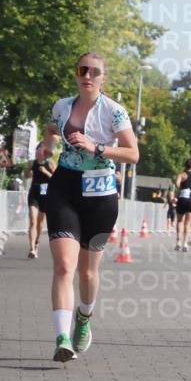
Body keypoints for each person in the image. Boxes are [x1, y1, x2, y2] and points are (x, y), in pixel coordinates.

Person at [43, 52, 139, 363]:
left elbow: (133, 154)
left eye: (94, 71)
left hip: (100, 196)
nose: (87, 75)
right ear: (76, 73)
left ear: (102, 78)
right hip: (65, 188)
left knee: (87, 271)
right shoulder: (62, 106)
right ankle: (62, 338)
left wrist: (97, 147)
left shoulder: (114, 112)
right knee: (64, 266)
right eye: (82, 70)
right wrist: (47, 146)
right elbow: (51, 128)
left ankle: (84, 318)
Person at [25, 143, 55, 258]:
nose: (39, 152)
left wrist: (46, 172)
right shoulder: (32, 163)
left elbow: (56, 179)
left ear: (45, 153)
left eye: (41, 151)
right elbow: (26, 176)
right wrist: (28, 172)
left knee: (40, 223)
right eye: (38, 150)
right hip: (34, 193)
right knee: (33, 221)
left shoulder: (50, 163)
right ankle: (32, 248)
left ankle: (36, 243)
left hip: (45, 194)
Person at [173, 159, 191, 251]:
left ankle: (178, 241)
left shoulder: (181, 175)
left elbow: (177, 185)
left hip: (182, 198)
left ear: (185, 166)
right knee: (188, 222)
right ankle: (185, 243)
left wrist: (182, 185)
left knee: (180, 221)